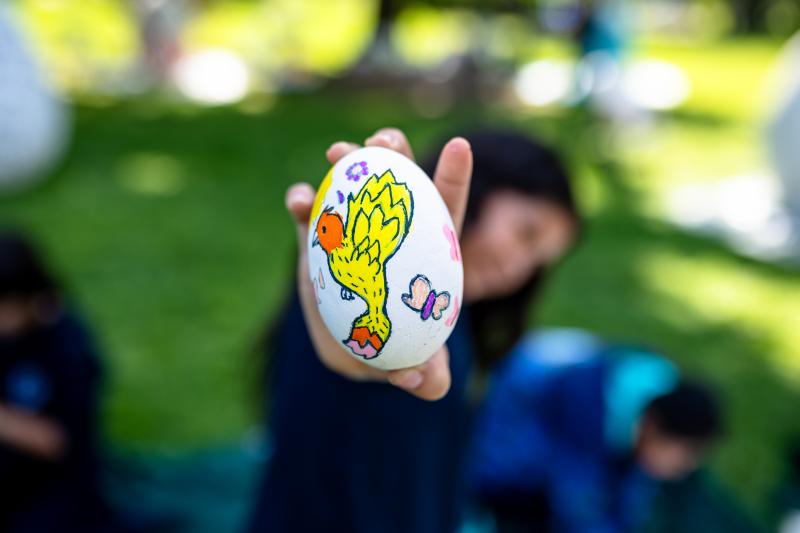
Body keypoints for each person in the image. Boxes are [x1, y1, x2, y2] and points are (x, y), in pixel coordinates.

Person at [246, 128, 581, 533]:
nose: (520, 268)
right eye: (525, 232)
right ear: (482, 188)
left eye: (539, 260)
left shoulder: (453, 325)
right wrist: (373, 356)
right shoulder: (359, 295)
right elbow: (353, 367)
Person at [470, 329, 723, 533]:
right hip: (500, 426)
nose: (684, 467)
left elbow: (626, 505)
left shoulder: (652, 412)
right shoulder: (587, 408)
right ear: (654, 427)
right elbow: (576, 505)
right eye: (682, 454)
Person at [0, 231, 105, 532]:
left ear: (26, 297)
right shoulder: (8, 333)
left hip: (50, 483)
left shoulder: (67, 349)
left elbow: (57, 441)